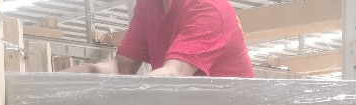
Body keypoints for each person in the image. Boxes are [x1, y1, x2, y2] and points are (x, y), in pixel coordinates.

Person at [73, 0, 253, 78]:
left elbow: (173, 75)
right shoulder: (148, 5)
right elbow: (121, 67)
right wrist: (75, 77)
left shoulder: (208, 8)